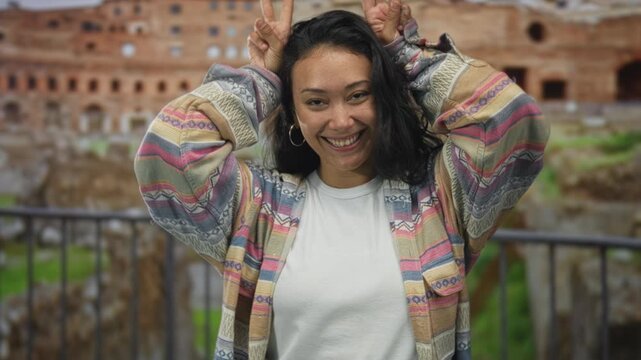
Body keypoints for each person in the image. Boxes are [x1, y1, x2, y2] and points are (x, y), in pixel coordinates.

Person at [134, 0, 549, 359]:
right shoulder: (258, 211)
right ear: (294, 112)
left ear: (383, 96)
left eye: (358, 95)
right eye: (316, 101)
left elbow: (510, 120)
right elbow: (169, 151)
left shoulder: (439, 197)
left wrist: (401, 52)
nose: (341, 121)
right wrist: (262, 79)